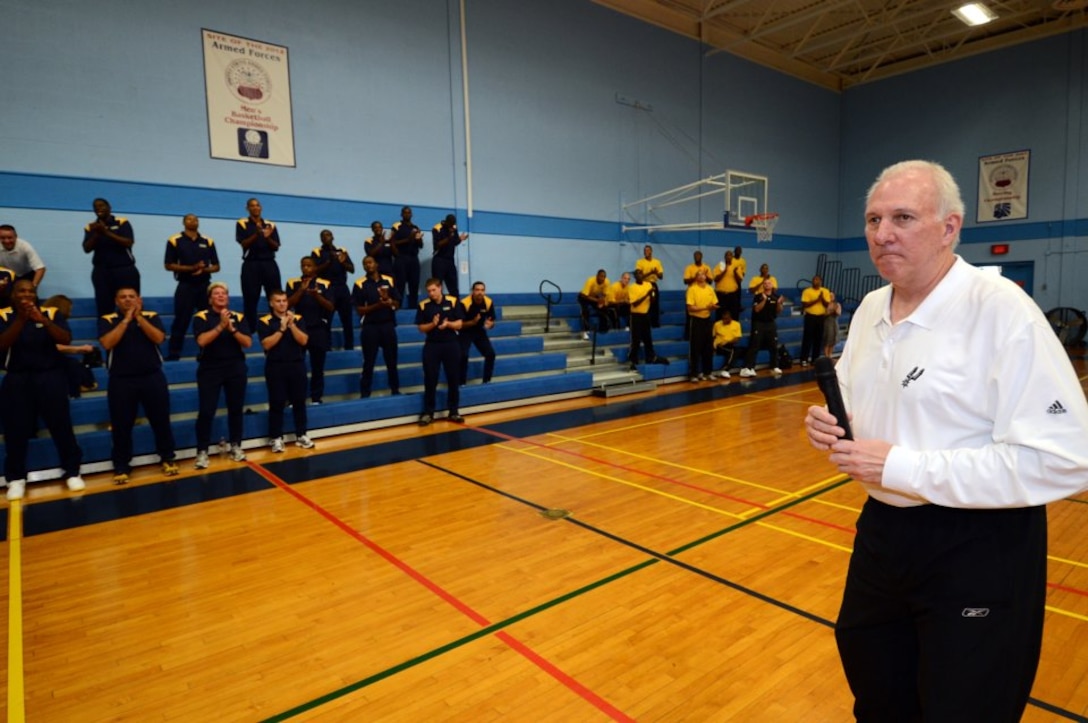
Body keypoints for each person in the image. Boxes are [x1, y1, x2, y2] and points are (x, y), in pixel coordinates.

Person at [804, 159, 1088, 722]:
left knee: (966, 706)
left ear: (950, 227)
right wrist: (840, 425)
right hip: (883, 534)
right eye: (873, 219)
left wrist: (904, 467)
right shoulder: (867, 310)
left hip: (979, 542)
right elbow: (885, 412)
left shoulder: (1002, 311)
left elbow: (1067, 459)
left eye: (903, 217)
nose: (882, 234)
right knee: (879, 692)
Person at [0, 279, 85, 500]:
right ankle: (16, 478)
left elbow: (65, 338)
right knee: (16, 430)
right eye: (22, 291)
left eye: (31, 291)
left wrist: (43, 321)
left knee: (62, 426)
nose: (26, 295)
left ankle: (73, 471)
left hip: (50, 377)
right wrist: (21, 319)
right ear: (13, 294)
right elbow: (2, 344)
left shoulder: (51, 312)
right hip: (17, 379)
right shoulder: (4, 315)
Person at [98, 287, 178, 484]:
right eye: (123, 297)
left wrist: (139, 318)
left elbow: (159, 338)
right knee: (121, 425)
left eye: (131, 297)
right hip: (121, 380)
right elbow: (107, 343)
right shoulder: (107, 319)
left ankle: (167, 458)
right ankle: (122, 465)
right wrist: (126, 320)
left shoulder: (151, 316)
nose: (127, 300)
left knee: (161, 421)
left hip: (152, 377)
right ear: (116, 301)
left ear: (139, 299)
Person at [191, 282, 252, 469]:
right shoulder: (201, 316)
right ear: (210, 298)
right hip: (210, 368)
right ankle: (202, 451)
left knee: (236, 409)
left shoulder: (239, 317)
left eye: (224, 293)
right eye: (216, 293)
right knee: (207, 411)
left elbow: (247, 343)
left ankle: (236, 446)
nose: (221, 296)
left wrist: (231, 328)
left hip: (235, 366)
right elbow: (202, 341)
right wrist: (220, 326)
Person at [257, 291, 315, 452]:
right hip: (275, 366)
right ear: (271, 303)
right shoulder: (264, 321)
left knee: (299, 401)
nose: (282, 304)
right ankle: (276, 437)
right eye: (278, 301)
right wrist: (281, 329)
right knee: (276, 402)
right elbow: (267, 344)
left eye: (284, 301)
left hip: (296, 364)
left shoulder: (298, 319)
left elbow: (303, 340)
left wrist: (291, 325)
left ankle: (301, 434)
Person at [164, 214, 220, 360]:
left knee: (207, 320)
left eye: (195, 219)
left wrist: (204, 270)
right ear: (183, 222)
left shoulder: (207, 241)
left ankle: (206, 352)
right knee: (181, 320)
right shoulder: (175, 240)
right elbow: (168, 265)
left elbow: (216, 266)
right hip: (185, 286)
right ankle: (174, 353)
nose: (193, 221)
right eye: (189, 219)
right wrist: (191, 268)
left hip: (204, 286)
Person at [415, 277, 464, 425]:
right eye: (429, 291)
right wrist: (433, 324)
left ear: (440, 288)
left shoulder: (453, 301)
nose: (431, 293)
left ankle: (453, 411)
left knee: (453, 378)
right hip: (432, 346)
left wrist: (448, 324)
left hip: (451, 344)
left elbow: (460, 324)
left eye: (433, 290)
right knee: (430, 379)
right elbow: (421, 328)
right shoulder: (423, 305)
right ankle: (429, 413)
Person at [286, 257, 334, 405]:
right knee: (296, 367)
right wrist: (301, 290)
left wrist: (316, 295)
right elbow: (287, 304)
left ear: (315, 267)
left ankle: (316, 398)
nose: (306, 268)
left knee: (317, 367)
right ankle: (295, 398)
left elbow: (330, 307)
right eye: (303, 266)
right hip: (298, 330)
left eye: (309, 265)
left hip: (318, 329)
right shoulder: (293, 283)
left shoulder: (325, 284)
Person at [352, 255, 401, 398]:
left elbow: (397, 304)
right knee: (368, 363)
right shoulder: (359, 284)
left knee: (392, 361)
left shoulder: (389, 280)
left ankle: (395, 390)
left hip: (388, 326)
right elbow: (359, 310)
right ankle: (365, 394)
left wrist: (389, 301)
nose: (368, 265)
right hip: (370, 328)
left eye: (370, 262)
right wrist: (378, 305)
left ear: (376, 264)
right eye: (365, 263)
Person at [83, 198, 140, 317]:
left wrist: (106, 232)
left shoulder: (122, 222)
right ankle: (106, 333)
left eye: (102, 205)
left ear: (109, 207)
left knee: (130, 305)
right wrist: (97, 233)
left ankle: (133, 332)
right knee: (104, 306)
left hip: (124, 270)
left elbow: (128, 242)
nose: (99, 208)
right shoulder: (91, 227)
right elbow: (87, 248)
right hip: (101, 271)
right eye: (96, 206)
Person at [236, 197, 282, 326]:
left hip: (269, 263)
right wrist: (257, 234)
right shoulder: (242, 223)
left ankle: (277, 325)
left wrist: (267, 237)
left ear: (261, 208)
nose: (255, 208)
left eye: (257, 205)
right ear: (247, 208)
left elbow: (276, 246)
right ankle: (250, 329)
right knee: (250, 298)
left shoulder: (270, 225)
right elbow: (244, 243)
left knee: (275, 296)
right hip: (251, 264)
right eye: (252, 206)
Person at [42, 294, 98, 398]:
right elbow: (54, 346)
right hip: (43, 359)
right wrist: (78, 349)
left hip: (53, 356)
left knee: (75, 363)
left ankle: (83, 386)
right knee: (72, 365)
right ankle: (76, 391)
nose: (70, 313)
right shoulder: (47, 322)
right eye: (69, 310)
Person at [311, 229, 355, 351]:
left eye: (328, 235)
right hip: (326, 289)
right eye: (323, 236)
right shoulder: (317, 252)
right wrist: (329, 261)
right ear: (320, 239)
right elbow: (314, 271)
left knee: (347, 320)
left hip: (342, 287)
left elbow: (352, 269)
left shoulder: (342, 251)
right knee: (326, 321)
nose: (326, 237)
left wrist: (342, 262)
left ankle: (349, 346)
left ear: (333, 237)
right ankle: (327, 347)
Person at [738, 277, 784, 377]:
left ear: (772, 285)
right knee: (755, 345)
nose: (767, 284)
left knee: (774, 345)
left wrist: (779, 303)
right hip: (758, 323)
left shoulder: (776, 297)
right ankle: (748, 368)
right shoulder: (758, 296)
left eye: (769, 283)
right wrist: (764, 300)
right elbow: (757, 309)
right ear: (763, 285)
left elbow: (779, 311)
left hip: (770, 323)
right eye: (765, 283)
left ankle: (774, 366)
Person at [627, 269, 668, 370]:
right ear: (635, 277)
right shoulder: (632, 287)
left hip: (645, 315)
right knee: (635, 339)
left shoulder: (648, 285)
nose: (640, 276)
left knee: (648, 338)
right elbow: (635, 303)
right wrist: (646, 294)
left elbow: (652, 300)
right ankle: (633, 360)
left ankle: (651, 357)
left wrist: (652, 294)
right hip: (635, 316)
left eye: (641, 273)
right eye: (637, 274)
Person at [460, 281, 497, 385]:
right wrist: (472, 322)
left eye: (482, 290)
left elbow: (492, 320)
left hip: (479, 331)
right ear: (472, 291)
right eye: (477, 290)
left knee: (491, 354)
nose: (480, 292)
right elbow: (459, 324)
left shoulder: (488, 302)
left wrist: (491, 324)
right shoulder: (464, 303)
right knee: (463, 356)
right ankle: (461, 383)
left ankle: (486, 381)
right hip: (465, 331)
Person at [685, 269, 717, 381]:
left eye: (703, 274)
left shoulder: (710, 289)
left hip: (707, 320)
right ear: (696, 277)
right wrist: (705, 307)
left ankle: (708, 372)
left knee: (708, 347)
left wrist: (713, 307)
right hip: (696, 320)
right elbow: (690, 307)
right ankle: (694, 373)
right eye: (698, 274)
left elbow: (714, 303)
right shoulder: (692, 289)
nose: (701, 276)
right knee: (695, 348)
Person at [390, 206, 424, 309]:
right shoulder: (396, 226)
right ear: (401, 214)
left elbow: (421, 245)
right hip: (401, 258)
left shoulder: (416, 227)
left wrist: (418, 239)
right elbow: (392, 242)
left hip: (413, 259)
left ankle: (413, 307)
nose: (407, 214)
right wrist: (408, 239)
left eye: (409, 213)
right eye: (405, 213)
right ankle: (398, 307)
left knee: (414, 284)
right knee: (400, 284)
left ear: (411, 215)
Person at [0, 224, 47, 293]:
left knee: (29, 296)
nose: (7, 241)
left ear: (16, 237)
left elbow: (40, 269)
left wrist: (33, 287)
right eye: (3, 238)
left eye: (10, 238)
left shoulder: (25, 246)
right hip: (8, 275)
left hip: (26, 275)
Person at [431, 214, 468, 298]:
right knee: (437, 286)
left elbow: (454, 242)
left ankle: (456, 307)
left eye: (453, 224)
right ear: (446, 222)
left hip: (450, 261)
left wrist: (460, 239)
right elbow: (437, 245)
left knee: (453, 287)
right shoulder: (437, 228)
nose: (452, 226)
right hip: (439, 260)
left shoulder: (453, 228)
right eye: (451, 224)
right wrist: (449, 237)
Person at [798, 275, 831, 366]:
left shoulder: (825, 291)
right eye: (814, 280)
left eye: (817, 280)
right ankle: (804, 359)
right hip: (810, 317)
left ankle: (815, 359)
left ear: (821, 281)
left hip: (821, 317)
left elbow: (826, 304)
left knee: (818, 339)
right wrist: (817, 299)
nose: (815, 281)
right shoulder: (807, 291)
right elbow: (805, 304)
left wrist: (822, 298)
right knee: (807, 338)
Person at [635, 244, 664, 327]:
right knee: (645, 304)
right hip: (643, 284)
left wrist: (656, 273)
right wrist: (650, 273)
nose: (646, 252)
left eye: (647, 250)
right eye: (644, 251)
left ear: (651, 251)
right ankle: (645, 323)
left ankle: (655, 323)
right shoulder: (639, 262)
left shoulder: (657, 262)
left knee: (654, 304)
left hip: (653, 284)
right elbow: (639, 276)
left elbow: (661, 276)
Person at [577, 269, 611, 340]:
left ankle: (602, 329)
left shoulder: (607, 282)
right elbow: (584, 295)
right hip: (583, 297)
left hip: (595, 297)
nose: (602, 278)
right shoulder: (590, 281)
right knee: (585, 311)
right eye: (601, 276)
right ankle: (585, 331)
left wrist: (601, 302)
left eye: (604, 277)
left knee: (604, 308)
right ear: (597, 276)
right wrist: (597, 300)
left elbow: (604, 294)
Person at [713, 249, 743, 321]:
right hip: (721, 295)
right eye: (727, 255)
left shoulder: (736, 267)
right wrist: (725, 270)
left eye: (730, 255)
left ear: (732, 257)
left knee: (734, 314)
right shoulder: (720, 266)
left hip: (732, 295)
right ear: (724, 257)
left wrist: (735, 273)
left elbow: (739, 280)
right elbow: (716, 279)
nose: (728, 257)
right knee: (720, 315)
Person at [711, 309, 742, 379]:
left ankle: (746, 368)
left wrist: (728, 342)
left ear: (730, 318)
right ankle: (725, 370)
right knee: (733, 351)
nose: (724, 320)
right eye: (723, 319)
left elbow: (737, 338)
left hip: (730, 344)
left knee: (742, 350)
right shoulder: (717, 324)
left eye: (726, 319)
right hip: (720, 346)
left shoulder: (737, 324)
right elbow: (713, 337)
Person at [822, 292, 842, 359]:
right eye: (830, 296)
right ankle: (826, 356)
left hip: (834, 322)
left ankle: (830, 355)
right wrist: (830, 311)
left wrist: (834, 310)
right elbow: (824, 314)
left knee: (833, 339)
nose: (831, 297)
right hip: (827, 323)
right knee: (827, 339)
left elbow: (838, 313)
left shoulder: (837, 304)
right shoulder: (825, 304)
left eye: (832, 296)